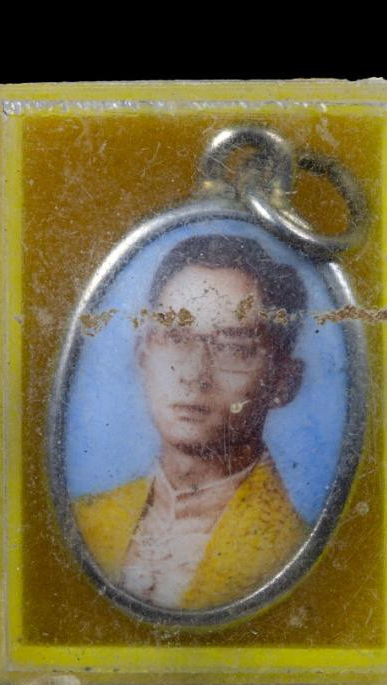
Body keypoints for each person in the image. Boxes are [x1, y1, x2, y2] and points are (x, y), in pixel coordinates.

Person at [74, 234, 309, 610]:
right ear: (143, 355)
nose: (194, 374)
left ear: (284, 382)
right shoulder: (86, 520)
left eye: (233, 348)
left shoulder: (292, 550)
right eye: (175, 338)